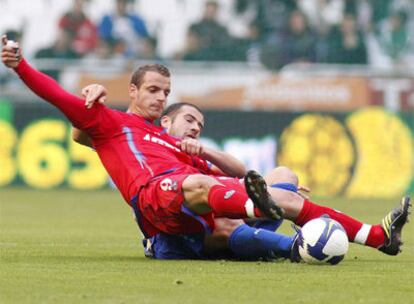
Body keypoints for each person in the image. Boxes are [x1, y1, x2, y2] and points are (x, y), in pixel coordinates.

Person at [1, 36, 410, 261]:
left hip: (192, 200)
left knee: (279, 188)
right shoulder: (109, 121)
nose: (161, 98)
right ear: (133, 91)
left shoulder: (173, 141)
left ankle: (376, 236)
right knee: (205, 185)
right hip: (156, 196)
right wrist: (19, 65)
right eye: (154, 91)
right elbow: (57, 97)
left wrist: (207, 157)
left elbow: (224, 170)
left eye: (166, 92)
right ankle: (269, 219)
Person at [74, 99, 304, 260]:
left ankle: (260, 246)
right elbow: (82, 135)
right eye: (189, 120)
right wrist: (89, 101)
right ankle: (296, 247)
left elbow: (241, 173)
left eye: (199, 125)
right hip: (173, 234)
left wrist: (280, 192)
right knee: (223, 221)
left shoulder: (196, 157)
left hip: (211, 224)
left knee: (284, 175)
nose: (195, 127)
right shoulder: (142, 142)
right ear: (165, 122)